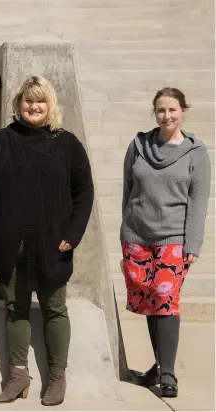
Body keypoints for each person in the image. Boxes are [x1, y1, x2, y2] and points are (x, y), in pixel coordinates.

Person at [0, 76, 94, 406]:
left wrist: (74, 233)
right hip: (9, 243)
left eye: (40, 101)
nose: (34, 106)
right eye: (28, 100)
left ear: (50, 105)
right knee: (15, 310)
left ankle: (56, 377)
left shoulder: (66, 144)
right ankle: (18, 375)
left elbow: (85, 193)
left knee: (54, 309)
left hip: (54, 244)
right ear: (18, 104)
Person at [120, 87, 210, 398]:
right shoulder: (139, 145)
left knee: (165, 296)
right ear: (154, 112)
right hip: (137, 237)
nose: (166, 115)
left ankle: (168, 374)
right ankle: (158, 366)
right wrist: (126, 231)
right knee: (149, 300)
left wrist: (192, 244)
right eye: (161, 110)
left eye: (172, 110)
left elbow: (198, 202)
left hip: (173, 237)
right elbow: (127, 190)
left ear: (183, 111)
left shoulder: (195, 153)